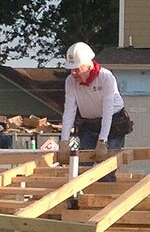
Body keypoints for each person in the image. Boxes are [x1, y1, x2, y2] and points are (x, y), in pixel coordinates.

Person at [57, 42, 133, 182]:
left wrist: (102, 140)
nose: (73, 73)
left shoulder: (106, 77)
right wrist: (64, 141)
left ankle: (106, 200)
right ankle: (83, 200)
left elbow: (108, 110)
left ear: (88, 65)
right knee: (83, 168)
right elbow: (69, 112)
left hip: (113, 124)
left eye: (77, 69)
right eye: (71, 69)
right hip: (89, 125)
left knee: (106, 169)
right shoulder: (70, 81)